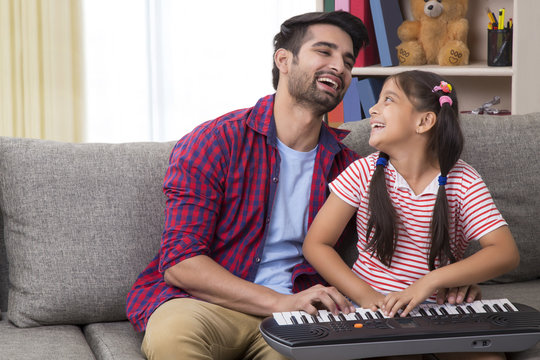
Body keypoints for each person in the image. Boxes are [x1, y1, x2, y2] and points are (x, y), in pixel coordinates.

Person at [126, 11, 369, 360]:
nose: (340, 67)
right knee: (173, 337)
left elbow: (397, 239)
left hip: (297, 319)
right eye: (324, 51)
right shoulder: (216, 141)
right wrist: (281, 302)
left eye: (347, 61)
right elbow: (181, 262)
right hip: (205, 306)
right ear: (284, 60)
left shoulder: (349, 166)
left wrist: (450, 284)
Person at [302, 70, 520, 360]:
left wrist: (430, 282)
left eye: (388, 100)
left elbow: (505, 253)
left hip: (440, 312)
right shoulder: (362, 172)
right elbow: (316, 244)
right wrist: (371, 299)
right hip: (371, 310)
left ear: (424, 121)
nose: (373, 109)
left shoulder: (463, 180)